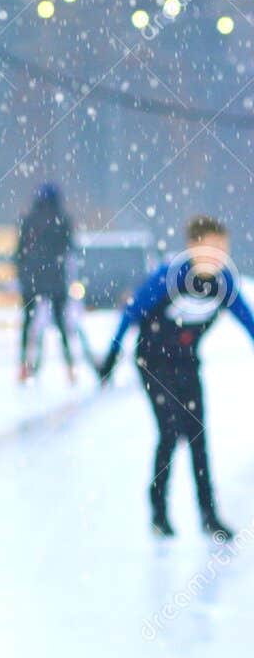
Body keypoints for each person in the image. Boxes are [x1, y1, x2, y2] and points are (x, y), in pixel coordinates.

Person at [97, 215, 254, 538]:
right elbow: (132, 313)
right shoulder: (171, 276)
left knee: (197, 435)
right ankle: (158, 512)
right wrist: (111, 358)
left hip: (186, 362)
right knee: (169, 431)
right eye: (212, 248)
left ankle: (208, 515)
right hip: (153, 362)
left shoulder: (223, 282)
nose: (219, 256)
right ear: (193, 247)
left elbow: (247, 320)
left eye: (223, 249)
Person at [14, 183, 79, 383]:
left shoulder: (28, 220)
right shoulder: (63, 221)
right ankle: (70, 368)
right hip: (55, 280)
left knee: (28, 323)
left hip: (32, 279)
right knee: (61, 324)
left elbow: (19, 251)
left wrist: (22, 273)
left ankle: (24, 366)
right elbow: (69, 248)